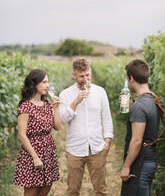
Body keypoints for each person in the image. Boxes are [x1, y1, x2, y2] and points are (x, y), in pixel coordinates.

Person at [59, 58, 114, 196]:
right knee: (72, 191)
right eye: (81, 76)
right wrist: (76, 102)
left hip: (97, 148)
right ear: (74, 75)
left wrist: (107, 141)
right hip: (74, 149)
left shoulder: (100, 92)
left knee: (101, 191)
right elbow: (62, 120)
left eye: (88, 75)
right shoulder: (65, 94)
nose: (85, 79)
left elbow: (106, 117)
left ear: (91, 72)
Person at [13, 69, 61, 196]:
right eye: (44, 82)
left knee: (46, 189)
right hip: (32, 152)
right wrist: (35, 157)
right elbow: (22, 135)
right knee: (32, 191)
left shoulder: (46, 104)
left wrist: (55, 108)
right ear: (34, 84)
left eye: (48, 82)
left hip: (48, 150)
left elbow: (58, 127)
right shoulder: (25, 106)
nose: (48, 85)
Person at [120, 59, 161, 196]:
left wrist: (126, 166)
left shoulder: (140, 106)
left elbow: (136, 141)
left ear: (131, 79)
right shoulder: (152, 99)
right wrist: (131, 106)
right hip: (150, 159)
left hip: (140, 163)